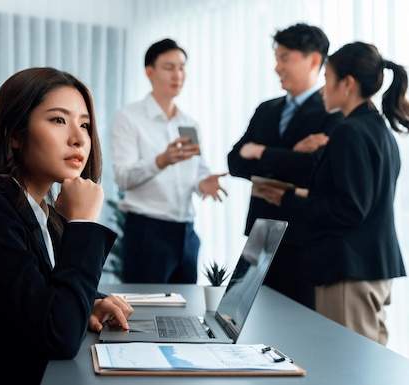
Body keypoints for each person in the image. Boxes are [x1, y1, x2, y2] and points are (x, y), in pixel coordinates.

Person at [0, 67, 134, 384]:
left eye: (85, 125)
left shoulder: (35, 211)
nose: (78, 139)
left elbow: (45, 300)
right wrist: (82, 223)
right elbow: (58, 335)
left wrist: (86, 304)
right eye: (59, 120)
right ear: (15, 134)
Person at [255, 42, 407, 345]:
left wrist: (287, 200)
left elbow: (348, 209)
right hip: (370, 267)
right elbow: (359, 197)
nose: (323, 89)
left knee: (348, 367)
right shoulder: (377, 129)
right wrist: (301, 193)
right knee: (368, 367)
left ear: (347, 84)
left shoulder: (349, 132)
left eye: (327, 78)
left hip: (347, 271)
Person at [227, 23, 343, 309]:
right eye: (276, 58)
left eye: (285, 58)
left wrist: (262, 151)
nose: (277, 67)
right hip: (260, 236)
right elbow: (235, 162)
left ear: (314, 60)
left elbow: (314, 169)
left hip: (302, 238)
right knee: (247, 320)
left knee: (299, 329)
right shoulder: (266, 109)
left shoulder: (333, 113)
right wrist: (290, 155)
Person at [110, 38, 227, 284]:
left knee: (184, 312)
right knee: (145, 314)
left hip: (186, 233)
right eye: (169, 67)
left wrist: (203, 183)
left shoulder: (189, 123)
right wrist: (160, 161)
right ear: (149, 72)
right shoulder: (128, 118)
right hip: (147, 231)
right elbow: (123, 177)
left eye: (182, 67)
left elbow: (197, 170)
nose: (178, 74)